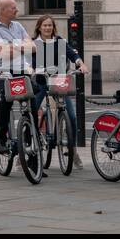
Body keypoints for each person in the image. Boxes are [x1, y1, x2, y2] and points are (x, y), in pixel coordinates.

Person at [33, 15, 88, 167]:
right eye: (44, 25)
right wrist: (33, 70)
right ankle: (26, 149)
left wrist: (81, 64)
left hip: (58, 82)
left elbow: (73, 54)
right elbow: (28, 61)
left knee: (70, 116)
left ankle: (73, 151)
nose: (47, 28)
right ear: (39, 27)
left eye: (50, 25)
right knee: (31, 113)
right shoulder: (33, 44)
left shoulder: (60, 42)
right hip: (41, 83)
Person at [0, 0, 35, 154]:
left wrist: (12, 46)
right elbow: (5, 53)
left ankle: (31, 138)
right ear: (2, 10)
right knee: (7, 100)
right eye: (13, 7)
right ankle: (1, 138)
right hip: (3, 71)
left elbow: (33, 47)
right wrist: (21, 46)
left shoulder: (18, 26)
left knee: (32, 102)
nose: (17, 10)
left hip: (21, 69)